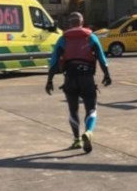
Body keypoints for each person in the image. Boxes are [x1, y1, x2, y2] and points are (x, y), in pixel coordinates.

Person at [45, 12, 112, 152]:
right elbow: (101, 57)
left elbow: (54, 61)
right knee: (91, 108)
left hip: (70, 77)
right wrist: (107, 74)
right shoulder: (91, 37)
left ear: (69, 24)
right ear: (82, 22)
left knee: (73, 110)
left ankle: (76, 140)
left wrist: (49, 80)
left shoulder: (63, 39)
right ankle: (88, 132)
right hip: (87, 78)